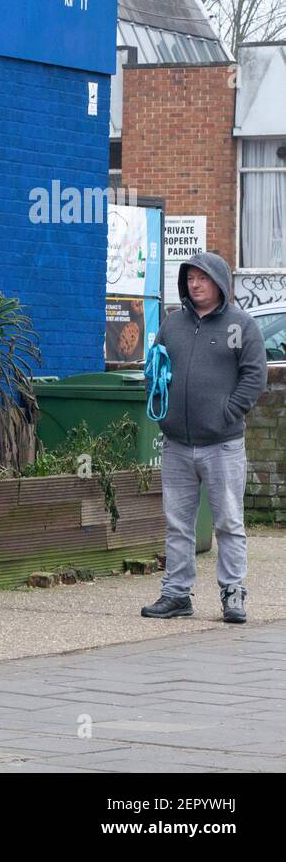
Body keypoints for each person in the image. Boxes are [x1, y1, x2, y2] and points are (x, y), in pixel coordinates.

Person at [142, 252, 266, 623]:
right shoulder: (172, 325)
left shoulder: (242, 325)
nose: (195, 284)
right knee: (177, 523)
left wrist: (228, 412)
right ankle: (176, 594)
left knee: (228, 521)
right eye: (190, 278)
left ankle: (233, 594)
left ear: (219, 282)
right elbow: (154, 367)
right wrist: (162, 408)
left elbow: (255, 376)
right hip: (177, 443)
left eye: (202, 278)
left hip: (222, 444)